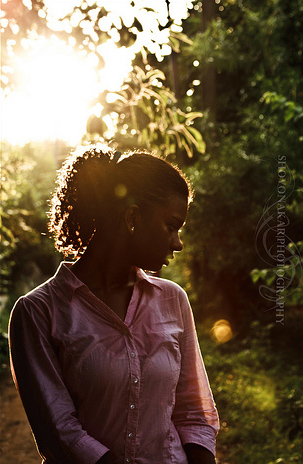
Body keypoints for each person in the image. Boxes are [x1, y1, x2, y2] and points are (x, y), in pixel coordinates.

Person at [9, 145, 219, 464]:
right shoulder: (38, 312)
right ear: (133, 216)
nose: (178, 243)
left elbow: (194, 414)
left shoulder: (173, 299)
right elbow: (60, 432)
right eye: (171, 226)